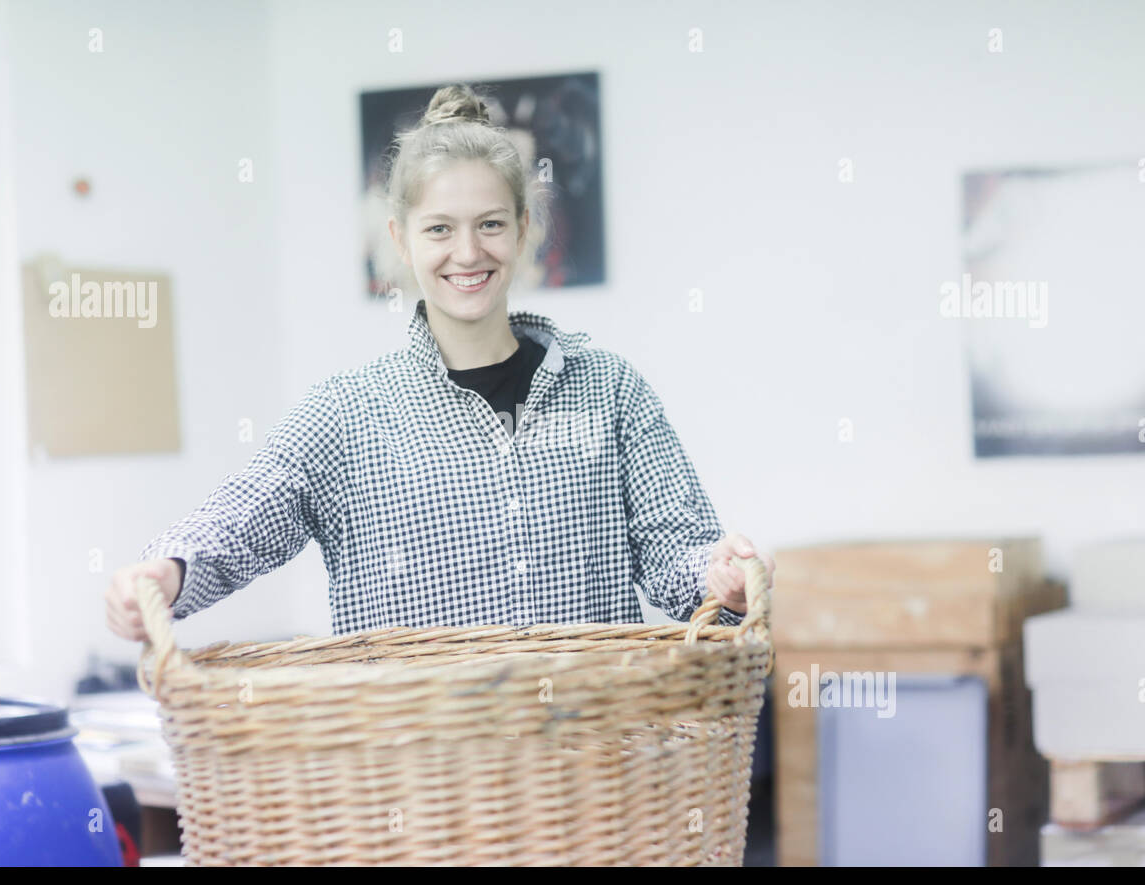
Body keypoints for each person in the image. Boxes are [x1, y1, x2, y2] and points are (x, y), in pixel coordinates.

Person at [105, 83, 773, 644]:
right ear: (400, 239)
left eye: (489, 224)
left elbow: (677, 552)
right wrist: (165, 572)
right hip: (417, 788)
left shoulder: (612, 390)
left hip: (591, 777)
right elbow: (241, 521)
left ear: (523, 228)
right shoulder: (348, 414)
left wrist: (722, 575)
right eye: (438, 228)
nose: (467, 252)